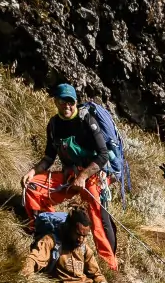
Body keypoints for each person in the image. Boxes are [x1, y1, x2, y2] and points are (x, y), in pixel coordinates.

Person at [21, 84, 118, 270]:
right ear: (55, 102)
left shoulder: (86, 121)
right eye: (61, 101)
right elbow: (49, 157)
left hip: (92, 175)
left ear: (75, 102)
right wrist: (32, 172)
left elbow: (103, 155)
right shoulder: (54, 125)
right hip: (69, 175)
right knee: (32, 187)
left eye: (70, 101)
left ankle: (109, 265)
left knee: (97, 215)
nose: (66, 105)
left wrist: (83, 176)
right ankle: (44, 231)